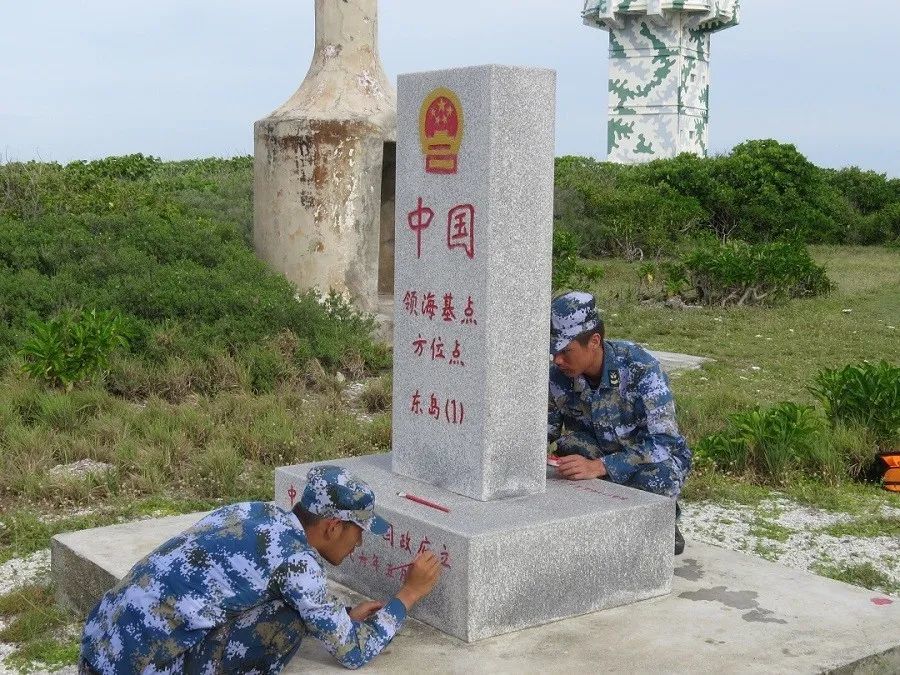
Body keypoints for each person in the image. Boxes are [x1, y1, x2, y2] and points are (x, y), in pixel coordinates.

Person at [79, 465, 441, 674]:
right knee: (286, 622)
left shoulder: (254, 512)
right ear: (332, 526)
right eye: (357, 533)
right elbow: (352, 652)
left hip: (98, 651)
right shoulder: (297, 562)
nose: (359, 544)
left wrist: (344, 614)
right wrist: (408, 594)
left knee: (287, 608)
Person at [547, 291, 692, 555]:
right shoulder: (558, 377)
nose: (558, 359)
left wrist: (600, 467)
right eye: (554, 350)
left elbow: (664, 442)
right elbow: (544, 431)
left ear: (594, 341)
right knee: (569, 449)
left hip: (645, 458)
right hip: (598, 450)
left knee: (659, 475)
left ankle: (663, 521)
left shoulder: (641, 368)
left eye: (566, 350)